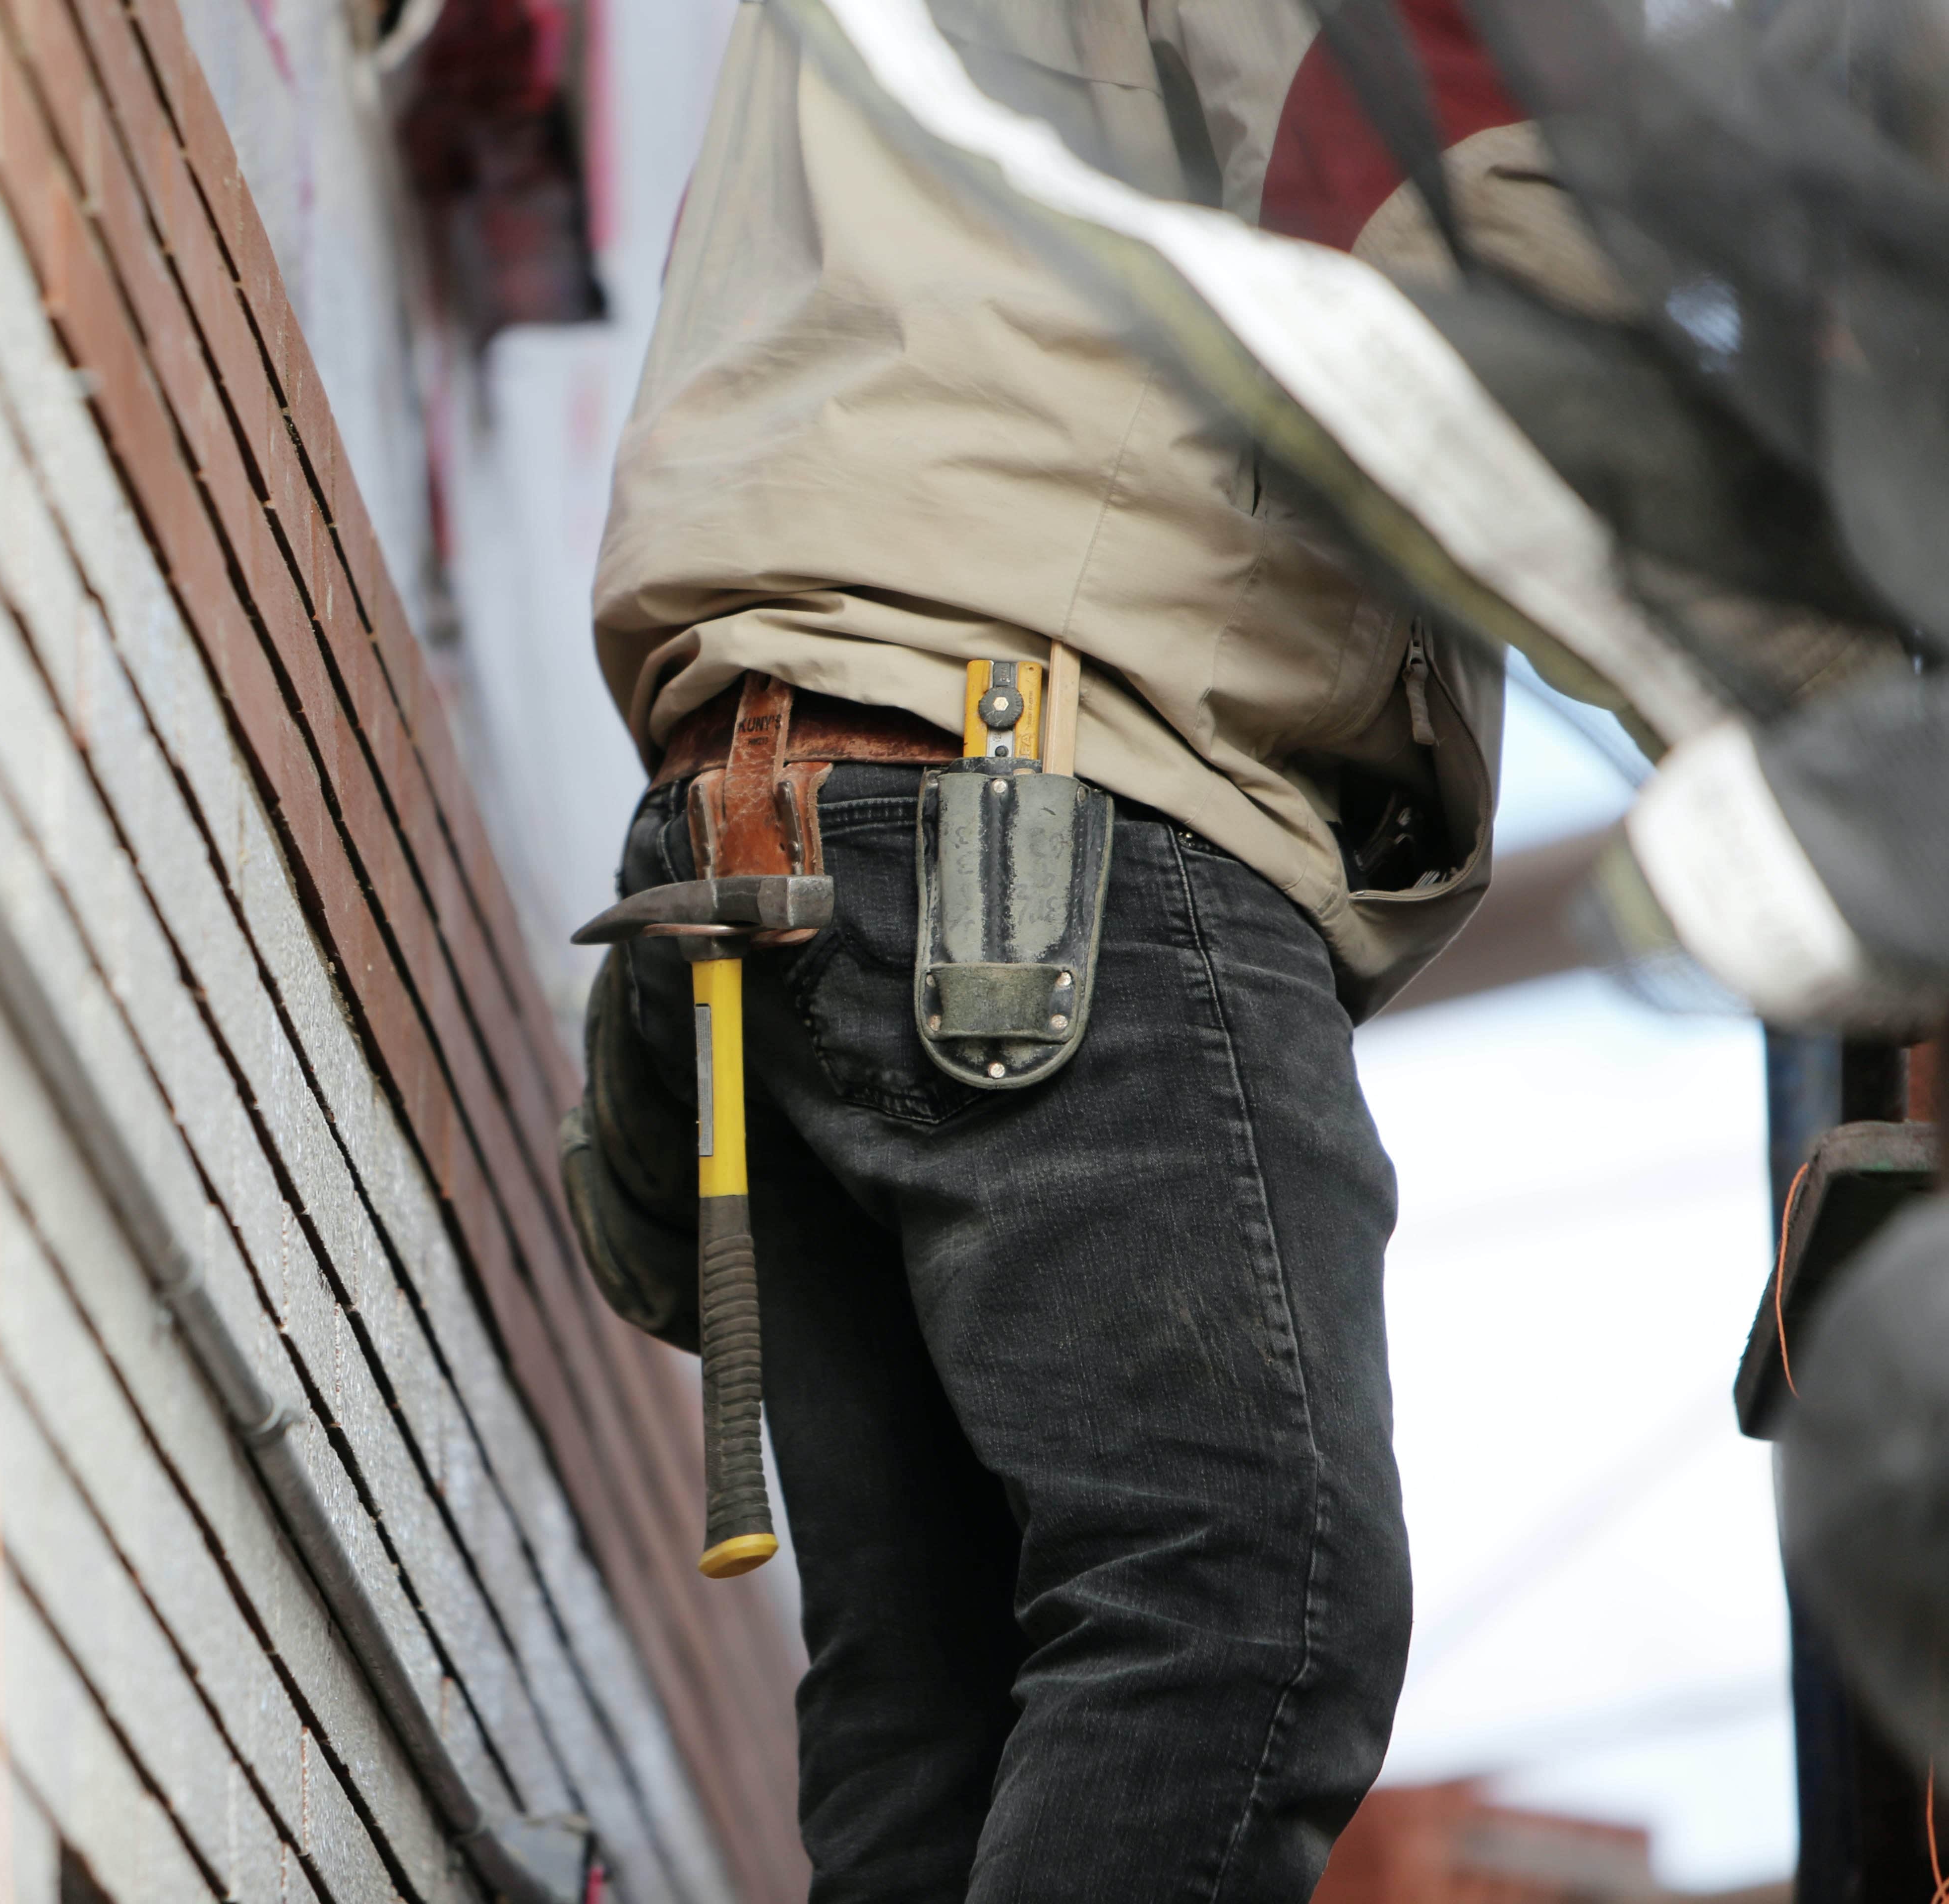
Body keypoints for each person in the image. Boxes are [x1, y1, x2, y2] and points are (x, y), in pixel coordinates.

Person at [569, 2, 1635, 1897]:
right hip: (1041, 802)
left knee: (941, 1724)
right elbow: (1468, 249)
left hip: (789, 803)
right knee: (1245, 1601)